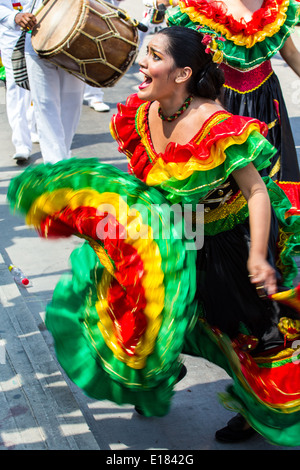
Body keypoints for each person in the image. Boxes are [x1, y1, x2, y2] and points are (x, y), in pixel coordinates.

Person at [8, 26, 300, 447]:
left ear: (182, 75)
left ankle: (253, 410)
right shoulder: (141, 114)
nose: (141, 63)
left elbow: (256, 192)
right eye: (145, 53)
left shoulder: (214, 124)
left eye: (154, 56)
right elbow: (144, 182)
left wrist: (257, 255)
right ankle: (159, 370)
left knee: (248, 332)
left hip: (228, 241)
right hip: (177, 230)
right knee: (140, 305)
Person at [164, 0, 300, 188]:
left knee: (267, 176)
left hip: (264, 102)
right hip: (217, 103)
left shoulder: (275, 7)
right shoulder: (199, 8)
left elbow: (292, 54)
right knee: (228, 180)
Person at [13, 0, 86, 164]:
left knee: (72, 104)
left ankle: (62, 159)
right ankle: (56, 165)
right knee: (45, 105)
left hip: (76, 38)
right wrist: (15, 16)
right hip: (36, 41)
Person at [0, 0, 36, 163]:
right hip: (11, 36)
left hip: (43, 33)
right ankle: (22, 144)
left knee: (42, 88)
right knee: (16, 88)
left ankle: (35, 128)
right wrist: (14, 16)